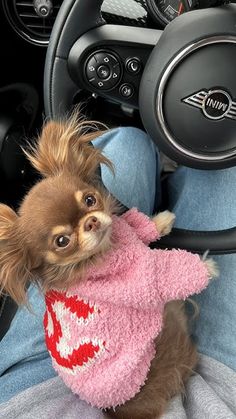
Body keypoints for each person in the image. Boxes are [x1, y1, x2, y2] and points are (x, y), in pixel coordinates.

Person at [0, 127, 235, 419]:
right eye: (63, 240)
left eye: (89, 201)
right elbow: (150, 280)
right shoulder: (103, 275)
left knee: (127, 140)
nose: (92, 223)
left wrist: (148, 226)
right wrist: (197, 270)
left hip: (33, 383)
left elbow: (123, 233)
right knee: (225, 161)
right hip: (155, 386)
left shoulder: (90, 251)